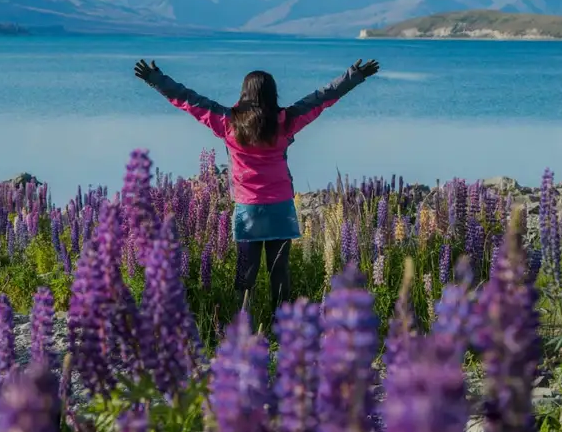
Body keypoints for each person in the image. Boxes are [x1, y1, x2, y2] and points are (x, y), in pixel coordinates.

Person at [133, 57, 381, 310]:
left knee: (245, 273)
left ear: (244, 93)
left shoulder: (227, 121)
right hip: (281, 207)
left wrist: (155, 79)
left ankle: (243, 322)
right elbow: (322, 98)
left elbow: (189, 100)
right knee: (279, 271)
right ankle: (282, 324)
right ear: (273, 93)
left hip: (248, 208)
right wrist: (355, 75)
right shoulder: (286, 120)